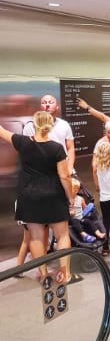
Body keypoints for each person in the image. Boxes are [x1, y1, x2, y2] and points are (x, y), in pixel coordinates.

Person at [3, 111, 74, 281]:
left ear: (33, 125)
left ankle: (43, 275)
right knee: (62, 235)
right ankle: (65, 274)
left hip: (29, 197)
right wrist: (70, 198)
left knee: (35, 238)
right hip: (53, 196)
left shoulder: (22, 142)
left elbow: (1, 131)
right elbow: (65, 176)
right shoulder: (56, 148)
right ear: (50, 125)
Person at [24, 94, 75, 172]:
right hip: (42, 171)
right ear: (40, 108)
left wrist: (70, 168)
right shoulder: (30, 126)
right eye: (44, 102)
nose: (47, 105)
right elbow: (27, 152)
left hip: (63, 167)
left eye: (51, 102)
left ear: (57, 107)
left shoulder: (64, 124)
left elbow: (70, 148)